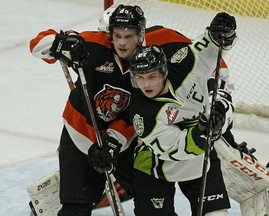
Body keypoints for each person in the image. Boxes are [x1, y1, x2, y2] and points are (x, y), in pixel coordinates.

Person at [29, 4, 196, 216]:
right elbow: (37, 44)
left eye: (129, 36)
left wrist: (113, 142)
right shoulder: (93, 45)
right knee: (76, 207)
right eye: (117, 36)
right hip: (81, 135)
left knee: (152, 199)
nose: (123, 43)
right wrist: (64, 43)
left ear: (141, 34)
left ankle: (115, 186)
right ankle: (74, 189)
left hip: (129, 140)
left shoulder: (155, 53)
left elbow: (139, 111)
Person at [128, 12, 237, 216]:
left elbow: (207, 48)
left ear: (164, 71)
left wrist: (222, 33)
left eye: (152, 76)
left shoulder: (184, 66)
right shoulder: (142, 113)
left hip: (201, 158)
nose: (146, 85)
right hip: (155, 168)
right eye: (140, 78)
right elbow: (176, 148)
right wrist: (202, 132)